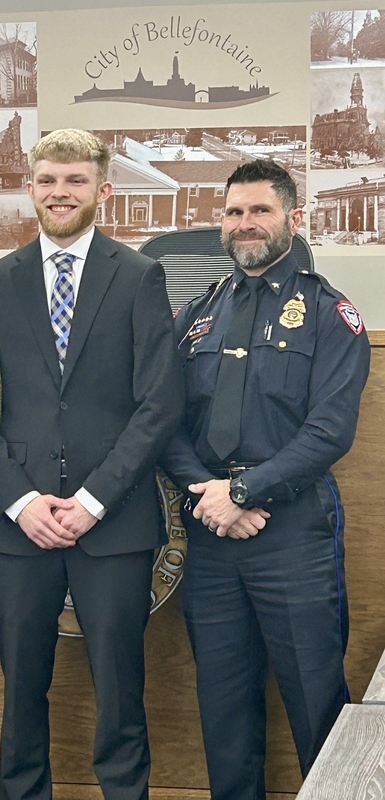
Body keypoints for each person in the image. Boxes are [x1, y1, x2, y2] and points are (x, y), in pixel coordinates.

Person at [0, 129, 183, 800]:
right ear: (30, 189)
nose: (61, 192)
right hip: (18, 529)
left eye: (76, 181)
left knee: (121, 694)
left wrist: (91, 501)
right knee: (21, 692)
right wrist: (23, 503)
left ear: (102, 190)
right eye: (48, 180)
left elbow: (159, 405)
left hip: (113, 529)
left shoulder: (140, 276)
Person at [160, 159, 371, 800]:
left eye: (260, 210)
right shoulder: (197, 315)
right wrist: (209, 493)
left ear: (293, 219)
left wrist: (244, 493)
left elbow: (329, 431)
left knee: (315, 703)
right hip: (212, 535)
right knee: (223, 712)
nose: (245, 223)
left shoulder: (330, 313)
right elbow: (164, 423)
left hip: (293, 533)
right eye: (233, 212)